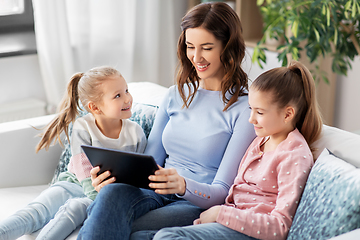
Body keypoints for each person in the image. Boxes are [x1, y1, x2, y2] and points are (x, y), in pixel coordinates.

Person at [77, 2, 256, 240]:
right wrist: (112, 179)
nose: (196, 57)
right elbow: (148, 163)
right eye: (190, 46)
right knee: (110, 196)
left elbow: (222, 192)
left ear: (228, 47)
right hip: (154, 191)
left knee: (119, 222)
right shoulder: (175, 94)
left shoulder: (245, 108)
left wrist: (183, 185)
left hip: (194, 201)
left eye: (207, 48)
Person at [152, 60, 323, 240]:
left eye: (260, 112)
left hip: (250, 232)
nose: (251, 119)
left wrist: (220, 214)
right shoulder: (260, 141)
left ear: (288, 114)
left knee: (167, 237)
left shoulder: (294, 155)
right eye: (251, 109)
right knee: (142, 235)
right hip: (229, 221)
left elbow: (279, 227)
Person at [0, 66, 146, 240]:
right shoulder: (84, 127)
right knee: (34, 213)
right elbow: (82, 167)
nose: (128, 98)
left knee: (72, 212)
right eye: (118, 95)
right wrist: (97, 197)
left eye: (127, 91)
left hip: (105, 194)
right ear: (95, 107)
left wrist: (105, 200)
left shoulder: (135, 133)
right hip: (74, 184)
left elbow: (136, 174)